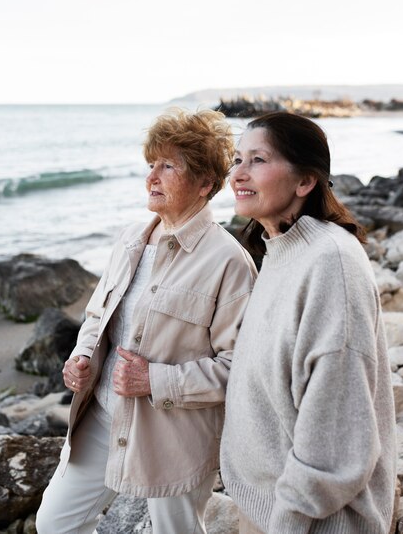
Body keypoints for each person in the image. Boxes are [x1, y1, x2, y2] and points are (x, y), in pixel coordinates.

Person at [36, 107, 257, 534]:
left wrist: (154, 381)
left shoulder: (230, 262)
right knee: (53, 524)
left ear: (205, 184)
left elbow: (241, 370)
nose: (151, 176)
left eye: (168, 166)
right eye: (151, 164)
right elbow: (97, 315)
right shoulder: (129, 239)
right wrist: (81, 358)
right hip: (101, 416)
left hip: (174, 435)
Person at [220, 112, 396, 534]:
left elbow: (336, 438)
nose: (238, 175)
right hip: (268, 506)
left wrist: (288, 520)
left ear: (305, 182)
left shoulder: (330, 263)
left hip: (312, 521)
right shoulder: (280, 250)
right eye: (237, 159)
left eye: (258, 160)